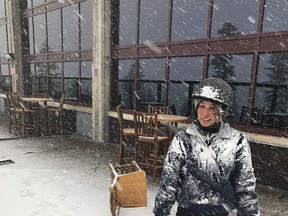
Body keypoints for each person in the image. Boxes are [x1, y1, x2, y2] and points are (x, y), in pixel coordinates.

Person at [153, 78, 259, 216]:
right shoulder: (183, 139)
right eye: (202, 106)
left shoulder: (236, 141)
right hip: (186, 212)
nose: (205, 113)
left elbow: (245, 186)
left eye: (212, 108)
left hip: (219, 212)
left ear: (222, 111)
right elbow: (169, 180)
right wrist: (161, 211)